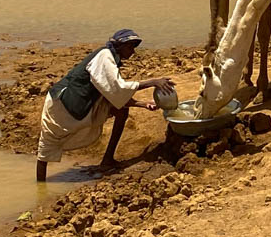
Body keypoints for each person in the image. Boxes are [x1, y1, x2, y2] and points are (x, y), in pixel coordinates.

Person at [35, 29, 174, 181]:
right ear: (119, 46)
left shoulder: (111, 59)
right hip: (61, 105)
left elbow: (112, 93)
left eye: (134, 47)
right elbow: (117, 88)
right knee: (47, 146)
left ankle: (107, 159)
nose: (133, 52)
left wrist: (144, 104)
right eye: (130, 47)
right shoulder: (105, 56)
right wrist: (152, 82)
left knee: (121, 111)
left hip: (79, 104)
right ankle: (40, 185)